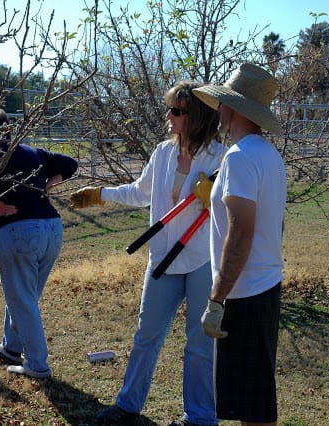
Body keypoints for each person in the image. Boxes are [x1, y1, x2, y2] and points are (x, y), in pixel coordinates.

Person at [70, 80, 222, 426]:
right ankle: (127, 406)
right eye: (169, 108)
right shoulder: (164, 153)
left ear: (196, 117)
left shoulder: (221, 157)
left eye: (176, 111)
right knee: (146, 335)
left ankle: (199, 418)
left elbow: (234, 211)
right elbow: (140, 193)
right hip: (162, 259)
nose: (168, 116)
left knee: (199, 344)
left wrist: (214, 198)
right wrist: (100, 194)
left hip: (201, 260)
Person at [193, 63, 286, 426]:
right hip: (264, 285)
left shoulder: (239, 158)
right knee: (254, 401)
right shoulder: (269, 155)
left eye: (222, 103)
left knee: (254, 406)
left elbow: (241, 234)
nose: (218, 110)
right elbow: (275, 224)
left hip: (244, 294)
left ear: (232, 109)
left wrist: (217, 299)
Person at [0, 107, 78, 379]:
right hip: (51, 229)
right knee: (26, 296)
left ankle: (37, 365)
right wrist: (47, 186)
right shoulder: (33, 152)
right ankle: (11, 348)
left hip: (19, 233)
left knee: (22, 300)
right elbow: (70, 164)